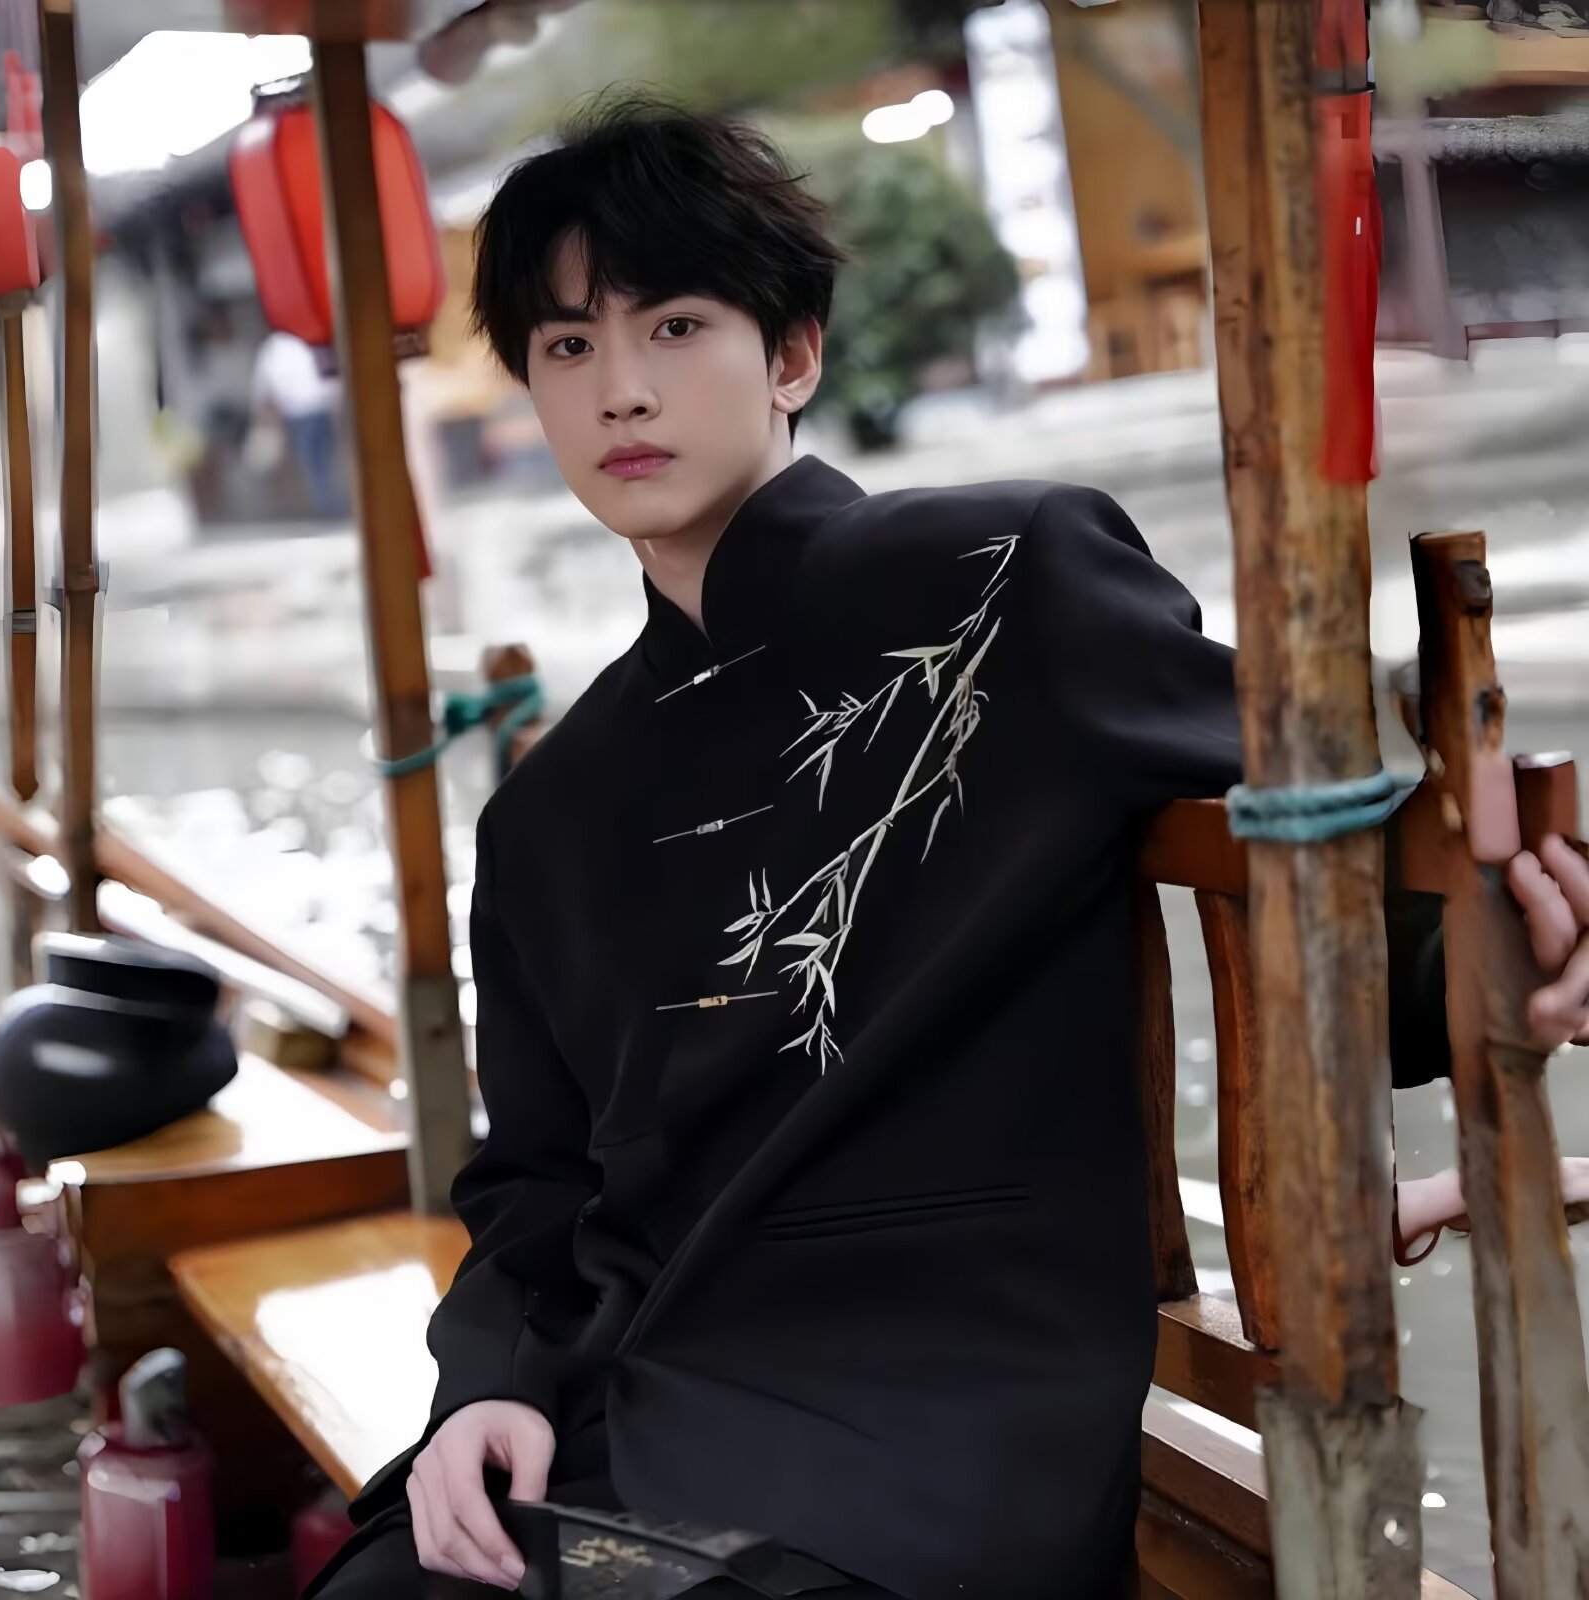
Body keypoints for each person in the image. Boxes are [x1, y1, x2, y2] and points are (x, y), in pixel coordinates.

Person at [309, 98, 1589, 1600]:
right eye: (568, 346)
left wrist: (1498, 956)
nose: (621, 390)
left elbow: (1321, 840)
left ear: (793, 356)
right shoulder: (550, 808)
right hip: (634, 1405)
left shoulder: (1003, 583)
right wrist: (486, 1390)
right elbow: (532, 1180)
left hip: (938, 1423)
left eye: (675, 326)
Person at [249, 329, 346, 518]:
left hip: (314, 410)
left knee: (318, 460)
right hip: (303, 412)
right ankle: (325, 503)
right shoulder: (278, 347)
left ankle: (327, 503)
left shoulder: (296, 344)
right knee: (316, 460)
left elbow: (262, 387)